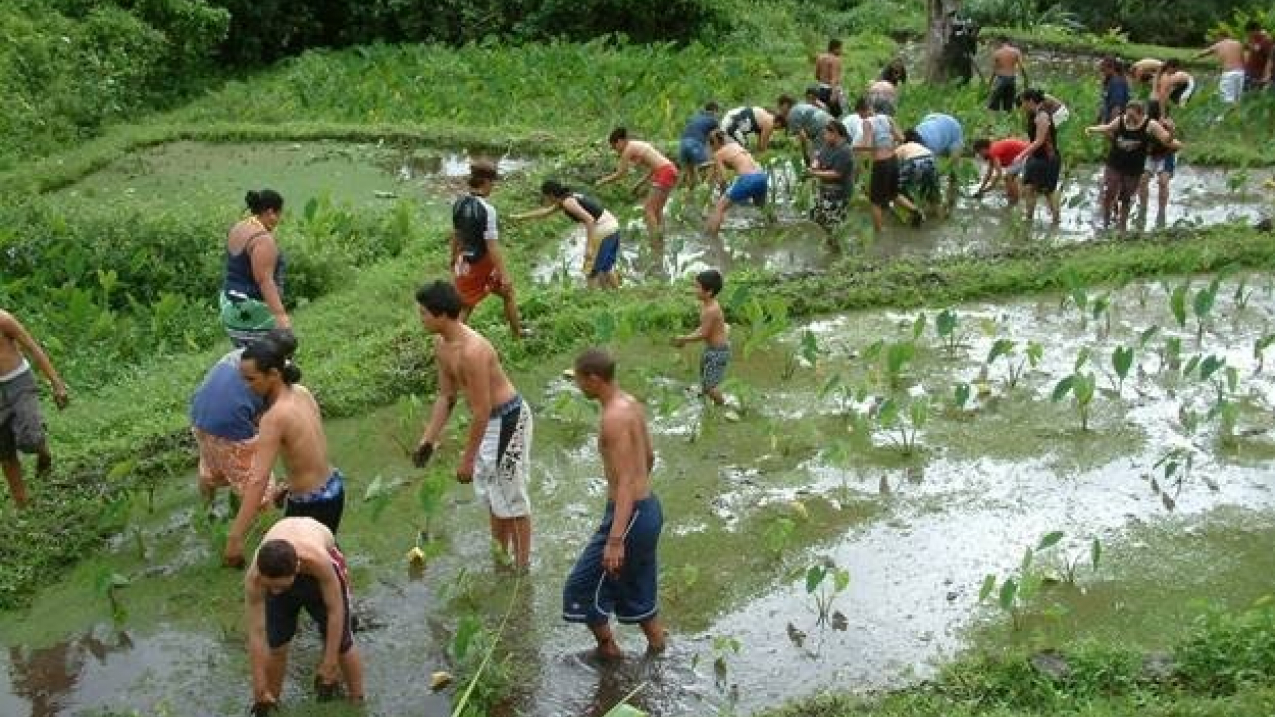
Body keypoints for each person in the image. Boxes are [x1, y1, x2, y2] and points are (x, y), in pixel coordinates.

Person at [414, 280, 533, 570]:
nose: (421, 319)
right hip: (489, 423)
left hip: (508, 419)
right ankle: (500, 557)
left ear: (441, 314)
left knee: (511, 496)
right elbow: (446, 396)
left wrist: (467, 460)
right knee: (495, 496)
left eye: (424, 314)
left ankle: (522, 568)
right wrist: (427, 441)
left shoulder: (473, 351)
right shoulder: (441, 345)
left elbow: (481, 411)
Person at [563, 348, 666, 660]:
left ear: (593, 379)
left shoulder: (612, 419)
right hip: (648, 509)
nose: (578, 386)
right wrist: (638, 486)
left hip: (630, 516)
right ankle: (658, 650)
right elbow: (648, 457)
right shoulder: (630, 404)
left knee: (580, 588)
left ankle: (609, 650)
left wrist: (615, 539)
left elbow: (623, 483)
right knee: (636, 585)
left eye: (579, 379)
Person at [226, 338, 345, 567]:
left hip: (311, 504)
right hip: (334, 488)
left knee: (291, 572)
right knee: (322, 556)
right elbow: (310, 450)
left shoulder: (274, 418)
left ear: (273, 374)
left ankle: (337, 597)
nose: (247, 386)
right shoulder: (302, 392)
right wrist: (289, 486)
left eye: (251, 379)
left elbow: (258, 480)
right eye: (243, 379)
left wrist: (235, 536)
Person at [243, 517, 364, 713]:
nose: (274, 593)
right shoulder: (256, 578)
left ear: (297, 568)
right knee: (276, 645)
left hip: (321, 568)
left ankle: (357, 702)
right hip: (282, 567)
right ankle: (269, 700)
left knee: (343, 642)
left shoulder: (319, 561)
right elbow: (257, 634)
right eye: (270, 587)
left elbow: (335, 610)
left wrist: (330, 661)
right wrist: (258, 684)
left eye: (280, 587)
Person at [190, 329, 294, 530]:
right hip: (230, 427)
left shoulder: (239, 355)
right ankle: (269, 535)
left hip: (199, 418)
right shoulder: (272, 371)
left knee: (211, 469)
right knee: (259, 487)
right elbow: (272, 418)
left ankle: (206, 513)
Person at [450, 159, 526, 340]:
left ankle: (518, 334)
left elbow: (457, 234)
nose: (493, 187)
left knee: (505, 294)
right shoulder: (487, 210)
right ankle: (451, 343)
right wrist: (504, 274)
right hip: (481, 264)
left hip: (465, 261)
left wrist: (453, 258)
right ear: (485, 182)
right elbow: (492, 246)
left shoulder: (458, 203)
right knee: (467, 306)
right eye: (492, 183)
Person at [0, 310, 68, 508]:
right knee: (4, 451)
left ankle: (42, 451)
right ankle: (22, 502)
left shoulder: (4, 320)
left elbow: (33, 348)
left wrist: (57, 384)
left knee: (30, 438)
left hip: (19, 381)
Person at [1086, 100, 1183, 233]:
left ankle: (1124, 226)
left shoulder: (1151, 125)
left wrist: (1172, 131)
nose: (1129, 120)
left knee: (1127, 197)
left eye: (1133, 117)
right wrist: (1092, 129)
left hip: (1137, 166)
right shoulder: (1121, 121)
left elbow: (1169, 141)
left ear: (1141, 114)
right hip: (1116, 163)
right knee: (1109, 192)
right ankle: (1107, 222)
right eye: (1128, 115)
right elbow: (1108, 128)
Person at [512, 180, 621, 289]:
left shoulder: (568, 202)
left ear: (550, 195)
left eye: (544, 196)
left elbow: (589, 220)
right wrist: (520, 217)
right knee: (606, 267)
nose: (545, 199)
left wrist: (589, 247)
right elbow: (544, 212)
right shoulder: (567, 198)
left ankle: (592, 299)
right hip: (613, 225)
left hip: (602, 228)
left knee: (590, 271)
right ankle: (617, 293)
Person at [221, 190, 290, 348]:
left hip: (231, 309)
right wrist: (280, 316)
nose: (279, 220)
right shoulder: (262, 240)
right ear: (270, 212)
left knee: (246, 363)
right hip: (254, 313)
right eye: (279, 214)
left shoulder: (238, 228)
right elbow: (265, 281)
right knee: (277, 363)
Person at [598, 128, 678, 247]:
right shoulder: (636, 145)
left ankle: (655, 244)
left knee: (648, 210)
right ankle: (660, 240)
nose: (616, 151)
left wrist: (602, 181)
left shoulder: (628, 149)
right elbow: (653, 167)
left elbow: (621, 174)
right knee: (657, 211)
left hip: (664, 172)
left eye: (615, 147)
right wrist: (639, 183)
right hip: (670, 170)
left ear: (620, 141)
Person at [853, 96, 923, 231]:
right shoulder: (887, 118)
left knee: (875, 201)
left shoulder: (867, 122)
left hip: (881, 164)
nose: (861, 118)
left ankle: (879, 232)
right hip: (893, 160)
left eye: (860, 115)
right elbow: (901, 138)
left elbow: (867, 145)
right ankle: (916, 211)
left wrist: (855, 148)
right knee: (893, 194)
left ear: (862, 111)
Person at [671, 270, 730, 405]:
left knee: (711, 386)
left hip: (718, 352)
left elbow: (703, 334)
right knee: (705, 377)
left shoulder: (711, 310)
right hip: (711, 349)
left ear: (708, 292)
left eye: (697, 287)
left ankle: (722, 404)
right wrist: (686, 337)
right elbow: (704, 328)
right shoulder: (707, 305)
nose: (694, 290)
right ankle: (706, 397)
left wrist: (684, 339)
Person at [705, 130, 768, 240]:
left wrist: (722, 192)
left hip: (748, 179)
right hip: (761, 177)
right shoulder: (735, 146)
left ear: (714, 144)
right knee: (762, 207)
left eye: (711, 146)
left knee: (719, 207)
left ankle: (711, 239)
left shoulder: (718, 154)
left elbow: (723, 178)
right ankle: (773, 225)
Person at [1013, 89, 1063, 226]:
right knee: (1028, 187)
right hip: (1036, 157)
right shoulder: (1032, 115)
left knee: (1048, 191)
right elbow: (1033, 140)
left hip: (1048, 159)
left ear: (1030, 101)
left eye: (1023, 102)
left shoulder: (1042, 116)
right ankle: (1029, 218)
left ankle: (1056, 220)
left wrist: (1021, 155)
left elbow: (1040, 140)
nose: (1021, 105)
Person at [807, 120, 855, 230]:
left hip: (838, 194)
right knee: (816, 222)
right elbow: (819, 158)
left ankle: (834, 244)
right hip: (824, 191)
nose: (824, 136)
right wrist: (815, 164)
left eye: (826, 134)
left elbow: (836, 174)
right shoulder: (828, 145)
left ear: (835, 134)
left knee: (832, 226)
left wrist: (815, 173)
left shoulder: (845, 151)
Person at [1140, 100, 1180, 228]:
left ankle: (1161, 212)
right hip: (1150, 154)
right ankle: (1143, 208)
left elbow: (1173, 142)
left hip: (1166, 154)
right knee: (1143, 179)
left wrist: (1171, 131)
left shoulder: (1167, 124)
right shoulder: (1144, 123)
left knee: (1163, 181)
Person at [775, 95, 834, 166]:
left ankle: (816, 171)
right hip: (830, 120)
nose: (779, 111)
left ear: (785, 105)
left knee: (815, 156)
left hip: (821, 127)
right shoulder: (800, 105)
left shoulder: (791, 115)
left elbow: (803, 137)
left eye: (779, 107)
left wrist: (805, 153)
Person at [972, 137, 1029, 204]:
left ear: (983, 149)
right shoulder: (991, 151)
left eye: (979, 152)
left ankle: (1014, 200)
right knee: (1008, 177)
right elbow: (988, 174)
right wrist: (981, 189)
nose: (979, 154)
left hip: (1026, 154)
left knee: (1008, 177)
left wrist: (990, 187)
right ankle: (1012, 198)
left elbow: (999, 174)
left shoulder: (993, 152)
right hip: (1021, 155)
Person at [677, 102, 720, 188]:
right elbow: (715, 137)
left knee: (690, 173)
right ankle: (705, 188)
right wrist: (717, 151)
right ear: (714, 111)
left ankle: (688, 196)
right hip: (694, 143)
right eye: (717, 112)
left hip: (682, 144)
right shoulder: (713, 120)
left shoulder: (695, 117)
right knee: (712, 165)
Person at [1195, 34, 1246, 104]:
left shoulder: (1219, 44)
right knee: (1238, 99)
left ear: (1220, 37)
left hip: (1229, 73)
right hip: (1241, 73)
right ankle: (1237, 113)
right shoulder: (1238, 44)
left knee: (1227, 100)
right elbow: (1243, 59)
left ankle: (1227, 114)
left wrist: (1194, 57)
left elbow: (1204, 53)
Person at [896, 132, 941, 207]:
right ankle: (933, 205)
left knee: (896, 185)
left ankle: (910, 204)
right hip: (930, 159)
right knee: (928, 186)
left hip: (913, 162)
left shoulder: (904, 146)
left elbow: (892, 162)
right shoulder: (921, 146)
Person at [987, 36, 1028, 112]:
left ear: (1000, 42)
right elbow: (1022, 67)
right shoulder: (1016, 51)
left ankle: (995, 122)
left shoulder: (997, 53)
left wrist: (990, 83)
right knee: (1008, 105)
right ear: (1009, 43)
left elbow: (994, 71)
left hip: (1001, 80)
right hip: (1012, 80)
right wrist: (1025, 79)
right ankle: (1007, 120)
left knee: (993, 104)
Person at [814, 39, 845, 116]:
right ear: (835, 49)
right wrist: (833, 93)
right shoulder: (836, 60)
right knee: (837, 116)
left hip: (821, 89)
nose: (841, 51)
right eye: (840, 49)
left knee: (823, 114)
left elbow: (817, 75)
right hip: (832, 91)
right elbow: (834, 78)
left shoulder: (820, 58)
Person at [1097, 56, 1130, 123]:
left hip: (1115, 121)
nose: (1102, 74)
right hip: (1108, 118)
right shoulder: (1110, 81)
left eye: (1103, 70)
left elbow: (1117, 108)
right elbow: (1105, 103)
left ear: (1111, 68)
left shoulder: (1117, 82)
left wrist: (1111, 127)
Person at [1245, 21, 1273, 91]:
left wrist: (1267, 74)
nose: (1249, 34)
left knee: (1258, 95)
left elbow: (1270, 58)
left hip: (1260, 74)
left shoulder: (1266, 41)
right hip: (1250, 72)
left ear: (1256, 30)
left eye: (1250, 32)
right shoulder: (1251, 39)